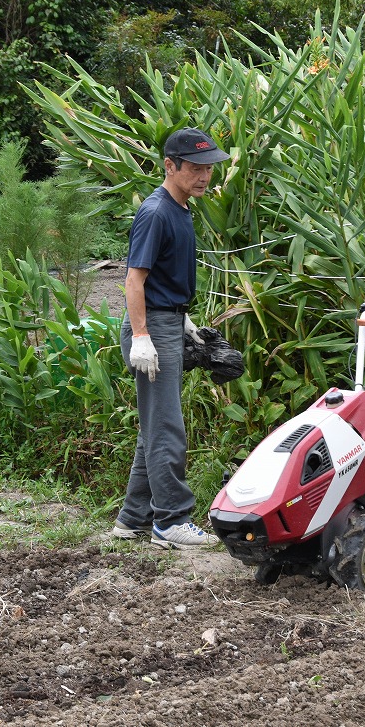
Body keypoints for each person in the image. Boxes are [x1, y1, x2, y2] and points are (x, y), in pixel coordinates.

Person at [111, 128, 229, 550]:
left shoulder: (181, 208)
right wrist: (143, 335)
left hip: (167, 320)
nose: (204, 177)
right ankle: (172, 521)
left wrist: (184, 321)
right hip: (151, 329)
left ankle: (134, 518)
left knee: (153, 427)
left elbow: (161, 279)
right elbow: (133, 280)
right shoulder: (157, 212)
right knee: (167, 428)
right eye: (195, 168)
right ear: (170, 165)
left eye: (208, 169)